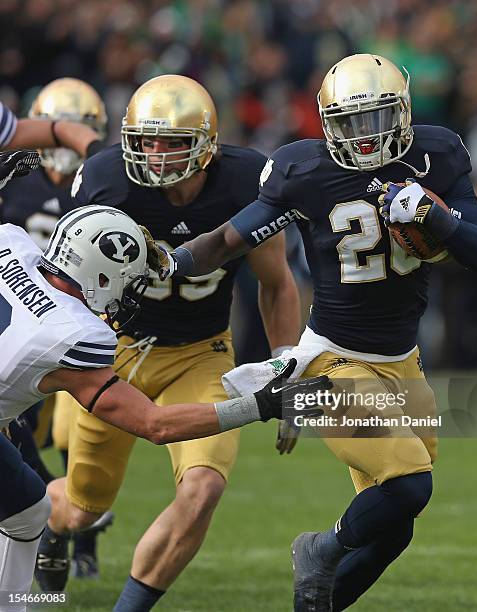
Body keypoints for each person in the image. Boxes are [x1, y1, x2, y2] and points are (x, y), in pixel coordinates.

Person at [147, 54, 477, 611]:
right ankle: (318, 546)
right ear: (326, 122)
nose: (364, 137)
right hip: (329, 361)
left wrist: (436, 219)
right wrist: (164, 264)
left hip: (403, 362)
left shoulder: (437, 155)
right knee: (409, 485)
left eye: (377, 119)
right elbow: (226, 240)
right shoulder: (304, 171)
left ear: (404, 115)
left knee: (395, 525)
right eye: (350, 122)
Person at [36, 75, 301, 609]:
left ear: (206, 143)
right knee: (83, 508)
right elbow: (69, 285)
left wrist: (286, 365)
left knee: (203, 489)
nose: (156, 155)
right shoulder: (107, 178)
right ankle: (50, 527)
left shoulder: (247, 179)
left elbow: (275, 283)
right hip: (115, 350)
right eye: (146, 141)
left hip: (201, 354)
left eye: (173, 142)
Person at [0, 198, 326, 611]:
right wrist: (260, 405)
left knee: (30, 509)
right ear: (101, 274)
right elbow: (155, 425)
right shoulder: (71, 335)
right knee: (28, 511)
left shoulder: (12, 243)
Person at [1, 78, 112, 579]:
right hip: (33, 329)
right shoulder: (20, 187)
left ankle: (73, 538)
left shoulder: (95, 182)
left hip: (58, 327)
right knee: (29, 462)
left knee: (65, 439)